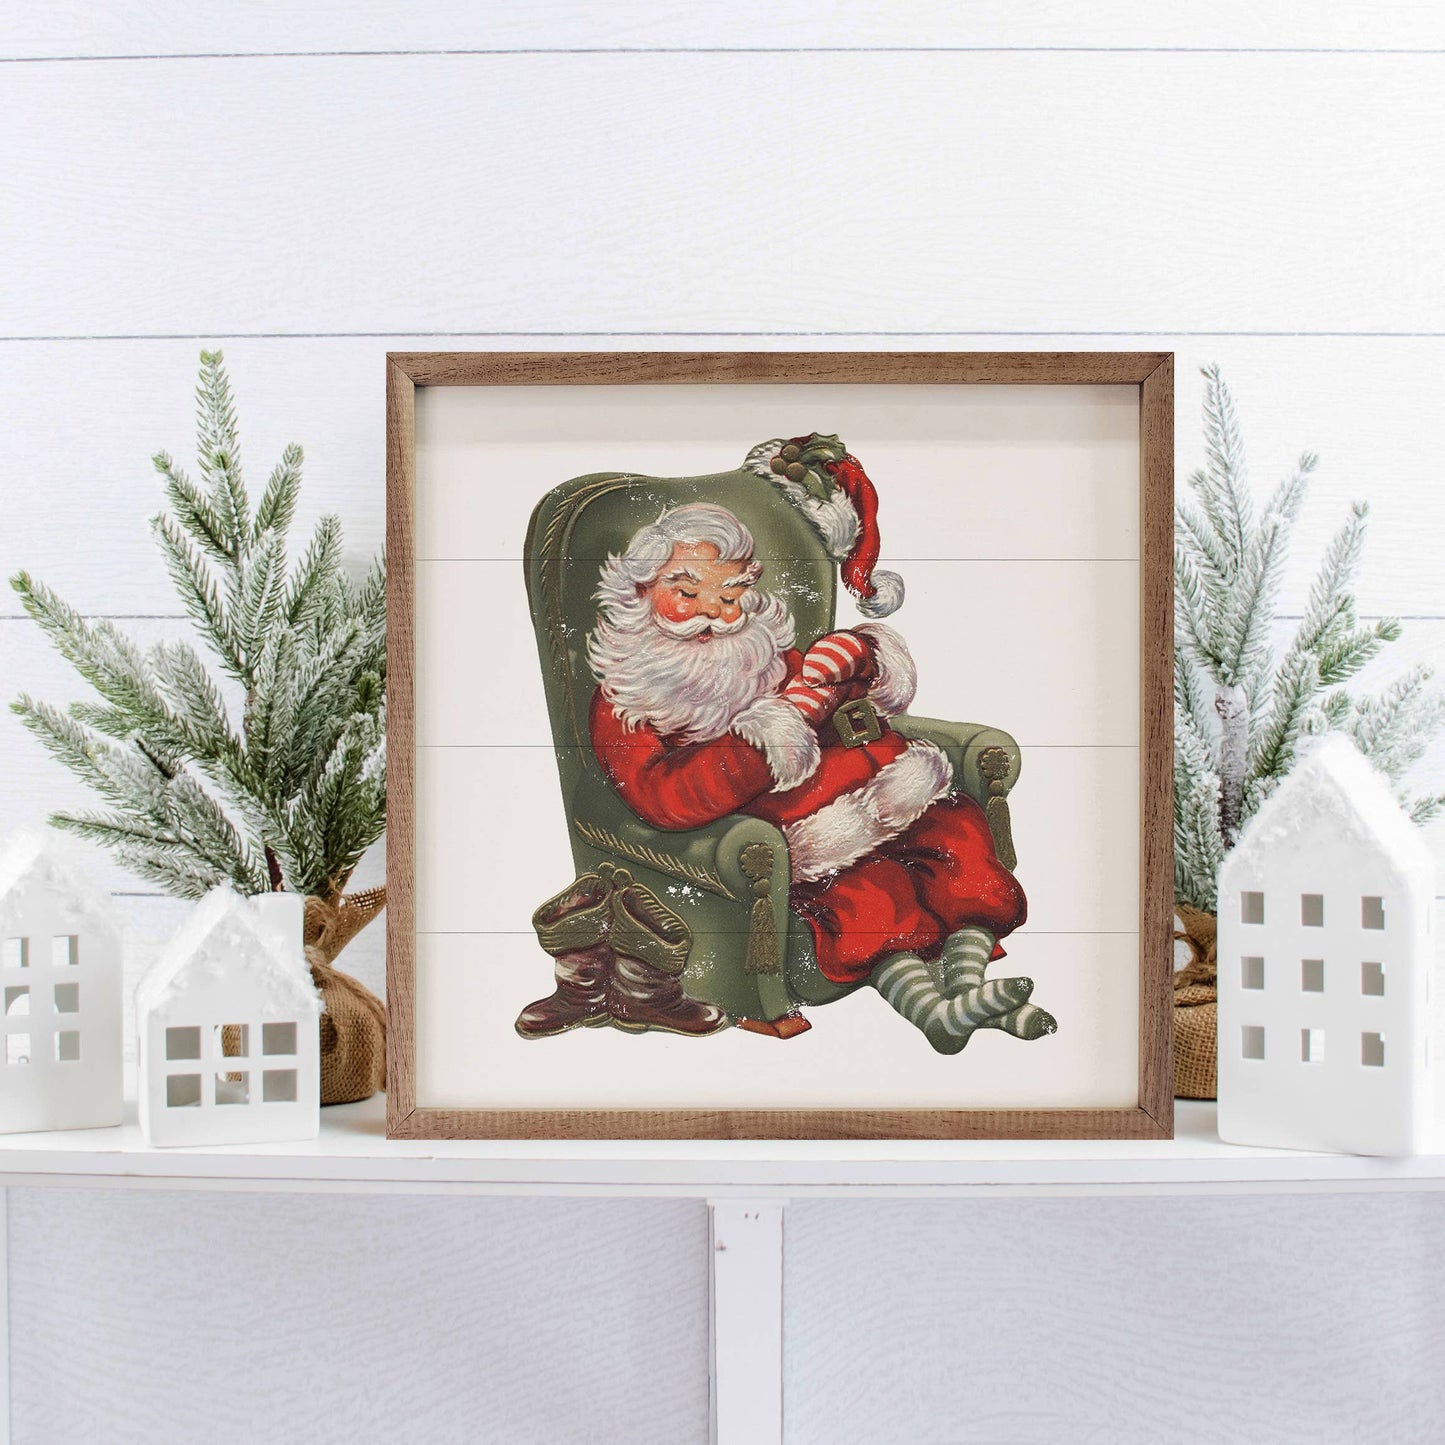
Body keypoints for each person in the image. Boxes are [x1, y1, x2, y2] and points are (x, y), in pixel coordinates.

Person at [584, 497, 1055, 1054]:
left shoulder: (760, 656)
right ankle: (931, 1012)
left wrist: (861, 662)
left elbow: (827, 695)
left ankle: (966, 991)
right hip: (799, 833)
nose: (711, 612)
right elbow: (661, 798)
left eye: (729, 597)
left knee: (957, 836)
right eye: (687, 594)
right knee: (869, 895)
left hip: (878, 789)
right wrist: (761, 745)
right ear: (639, 593)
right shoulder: (626, 700)